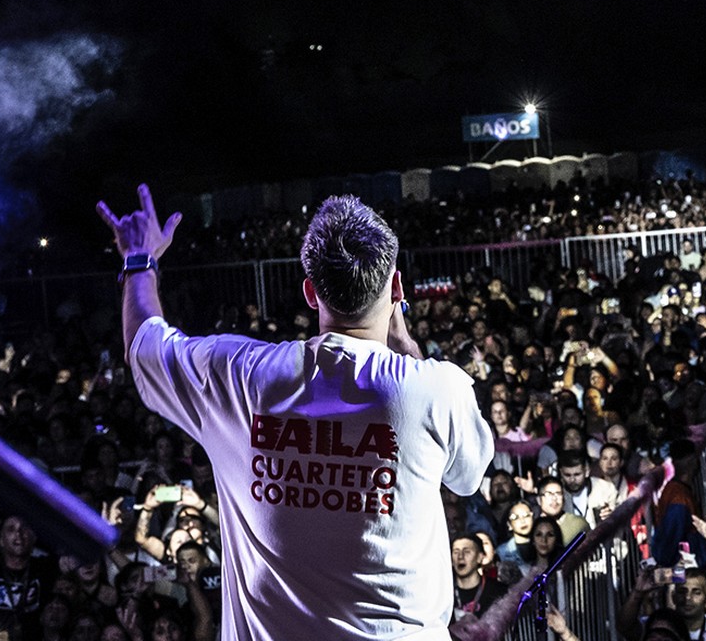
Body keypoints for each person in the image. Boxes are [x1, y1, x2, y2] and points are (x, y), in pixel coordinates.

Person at [97, 186, 494, 639]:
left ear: (310, 292)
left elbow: (144, 344)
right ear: (397, 287)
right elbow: (466, 478)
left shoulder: (240, 376)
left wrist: (139, 259)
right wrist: (410, 354)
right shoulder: (435, 387)